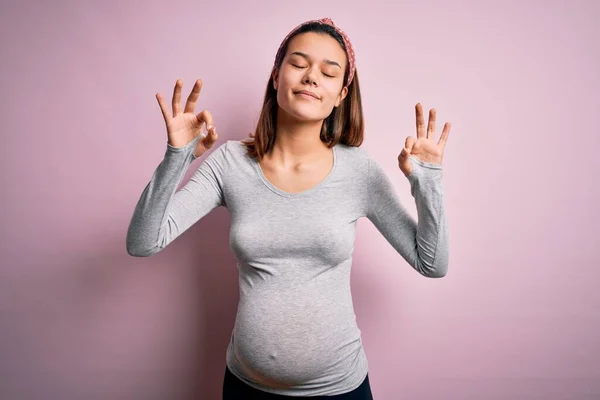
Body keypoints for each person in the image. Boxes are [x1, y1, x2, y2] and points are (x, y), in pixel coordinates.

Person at [126, 17, 450, 400]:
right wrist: (177, 157)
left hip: (340, 391)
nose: (312, 77)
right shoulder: (229, 163)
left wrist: (427, 184)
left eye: (329, 73)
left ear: (341, 95)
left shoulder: (358, 170)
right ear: (276, 76)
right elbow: (143, 241)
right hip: (247, 388)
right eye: (298, 64)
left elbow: (432, 263)